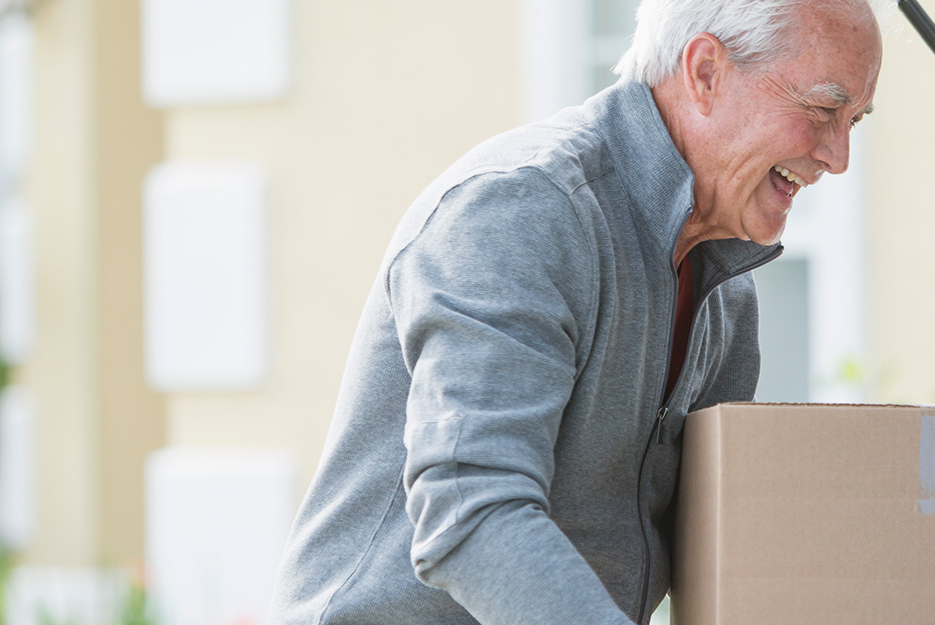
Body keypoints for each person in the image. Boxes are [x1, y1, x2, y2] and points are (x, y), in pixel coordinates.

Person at [271, 1, 881, 624]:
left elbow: (722, 551)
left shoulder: (725, 289)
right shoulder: (521, 209)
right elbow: (469, 514)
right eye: (823, 109)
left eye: (855, 120)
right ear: (705, 72)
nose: (838, 156)